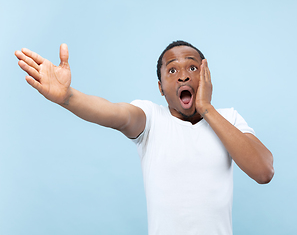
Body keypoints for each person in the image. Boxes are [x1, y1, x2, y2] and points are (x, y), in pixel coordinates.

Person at [15, 40, 274, 235]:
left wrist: (207, 109)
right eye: (172, 71)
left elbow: (264, 171)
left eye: (192, 67)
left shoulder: (229, 118)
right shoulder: (151, 118)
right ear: (160, 88)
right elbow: (116, 113)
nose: (183, 75)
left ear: (205, 77)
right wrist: (68, 97)